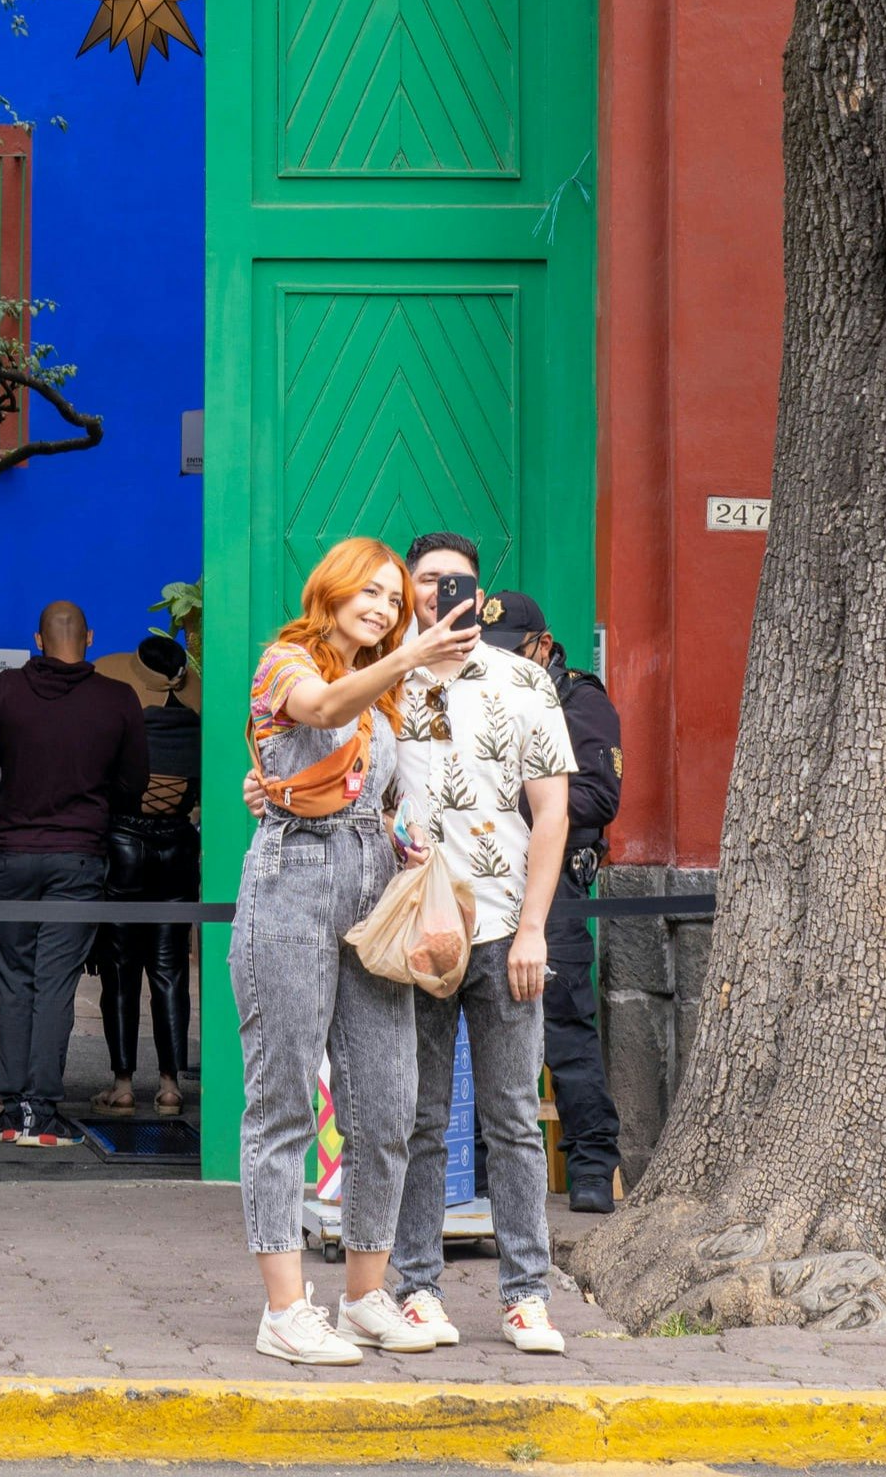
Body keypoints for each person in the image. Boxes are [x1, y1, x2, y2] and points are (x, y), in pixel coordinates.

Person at [230, 537, 473, 1366]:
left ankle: (367, 1294)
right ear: (330, 591)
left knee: (389, 1103)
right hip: (292, 881)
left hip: (374, 890)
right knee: (283, 1102)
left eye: (392, 596)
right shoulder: (283, 662)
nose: (380, 605)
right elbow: (322, 708)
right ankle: (284, 1310)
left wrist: (411, 836)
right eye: (367, 591)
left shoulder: (393, 692)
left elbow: (402, 788)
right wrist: (408, 653)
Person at [377, 575, 580, 1355]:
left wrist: (535, 927)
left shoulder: (523, 680)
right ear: (411, 593)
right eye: (427, 583)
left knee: (512, 1120)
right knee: (419, 1118)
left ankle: (527, 1295)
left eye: (454, 580)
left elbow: (553, 811)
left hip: (501, 929)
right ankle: (417, 1287)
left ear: (477, 591)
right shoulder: (386, 673)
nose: (441, 595)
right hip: (417, 928)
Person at [0, 601, 147, 1149]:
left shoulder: (7, 691)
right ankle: (42, 1109)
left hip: (11, 857)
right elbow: (133, 785)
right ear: (90, 637)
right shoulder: (118, 698)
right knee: (56, 982)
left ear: (38, 639)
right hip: (79, 857)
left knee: (13, 982)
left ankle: (13, 1109)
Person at [481, 589, 629, 1214]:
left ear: (542, 646)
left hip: (557, 881)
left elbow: (598, 798)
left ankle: (592, 1162)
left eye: (516, 653)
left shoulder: (578, 700)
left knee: (565, 1027)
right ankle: (483, 1172)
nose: (505, 664)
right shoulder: (477, 687)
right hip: (483, 881)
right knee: (478, 1027)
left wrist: (521, 800)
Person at [92, 630, 200, 1118]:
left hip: (124, 844)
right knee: (170, 969)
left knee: (119, 969)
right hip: (178, 845)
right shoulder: (197, 722)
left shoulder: (126, 724)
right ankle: (171, 1085)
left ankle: (121, 1084)